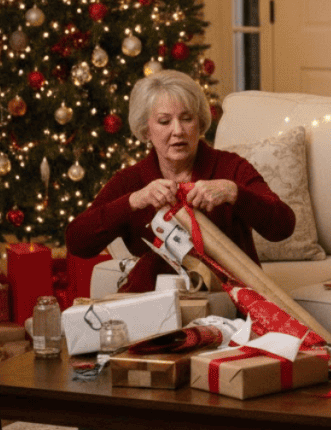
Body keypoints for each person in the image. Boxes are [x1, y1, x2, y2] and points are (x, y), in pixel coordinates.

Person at [66, 70, 295, 292]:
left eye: (187, 119)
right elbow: (77, 241)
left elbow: (283, 226)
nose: (178, 131)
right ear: (146, 130)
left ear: (200, 123)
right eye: (164, 121)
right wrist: (133, 201)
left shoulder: (231, 167)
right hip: (155, 305)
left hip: (229, 304)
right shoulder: (130, 181)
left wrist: (234, 193)